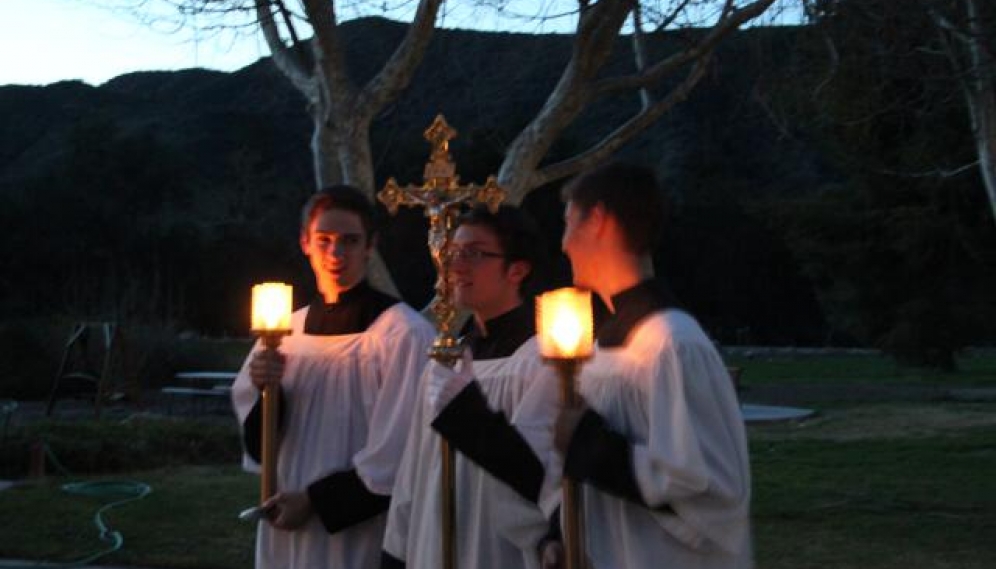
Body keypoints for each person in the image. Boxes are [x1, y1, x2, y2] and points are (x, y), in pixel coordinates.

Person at [553, 161, 752, 568]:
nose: (563, 243)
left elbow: (710, 488)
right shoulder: (606, 346)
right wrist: (562, 536)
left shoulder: (672, 344)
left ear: (599, 222)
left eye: (569, 223)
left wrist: (589, 442)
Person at [231, 184, 436, 569]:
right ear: (305, 243)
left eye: (350, 241)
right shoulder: (284, 333)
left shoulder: (401, 334)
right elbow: (263, 447)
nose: (336, 254)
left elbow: (398, 452)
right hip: (284, 517)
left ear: (370, 246)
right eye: (323, 240)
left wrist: (314, 501)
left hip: (357, 527)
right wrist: (266, 392)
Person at [382, 205, 561, 569]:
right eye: (453, 253)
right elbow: (413, 471)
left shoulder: (542, 360)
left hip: (497, 547)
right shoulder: (445, 361)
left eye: (475, 254)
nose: (456, 266)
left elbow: (542, 473)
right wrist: (395, 553)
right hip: (433, 541)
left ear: (517, 269)